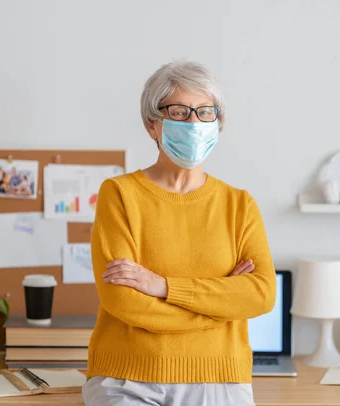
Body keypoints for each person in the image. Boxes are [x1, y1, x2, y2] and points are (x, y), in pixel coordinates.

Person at [83, 61, 276, 406]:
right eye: (179, 111)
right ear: (152, 125)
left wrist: (163, 287)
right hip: (128, 378)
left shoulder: (239, 204)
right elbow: (123, 301)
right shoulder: (119, 194)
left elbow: (260, 294)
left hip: (221, 379)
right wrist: (222, 307)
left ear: (218, 123)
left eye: (205, 112)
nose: (194, 123)